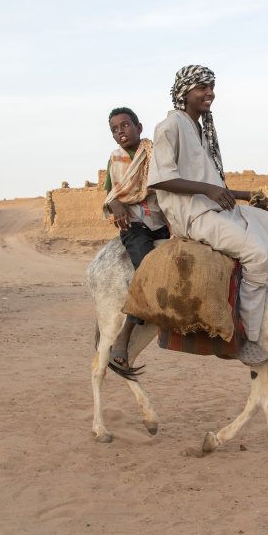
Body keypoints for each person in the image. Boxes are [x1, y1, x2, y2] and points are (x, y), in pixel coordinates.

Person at [147, 65, 268, 367]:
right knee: (259, 252)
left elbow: (211, 184)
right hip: (195, 216)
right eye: (202, 87)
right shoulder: (170, 126)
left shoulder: (201, 129)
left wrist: (245, 196)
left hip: (218, 207)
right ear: (184, 92)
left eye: (211, 87)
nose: (209, 93)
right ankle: (249, 338)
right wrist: (212, 193)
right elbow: (160, 179)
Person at [104, 107, 170, 369]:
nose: (120, 132)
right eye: (114, 129)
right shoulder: (115, 159)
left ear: (139, 127)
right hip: (134, 225)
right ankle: (125, 334)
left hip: (162, 219)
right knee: (146, 269)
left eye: (125, 125)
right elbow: (111, 194)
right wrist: (115, 204)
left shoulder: (155, 154)